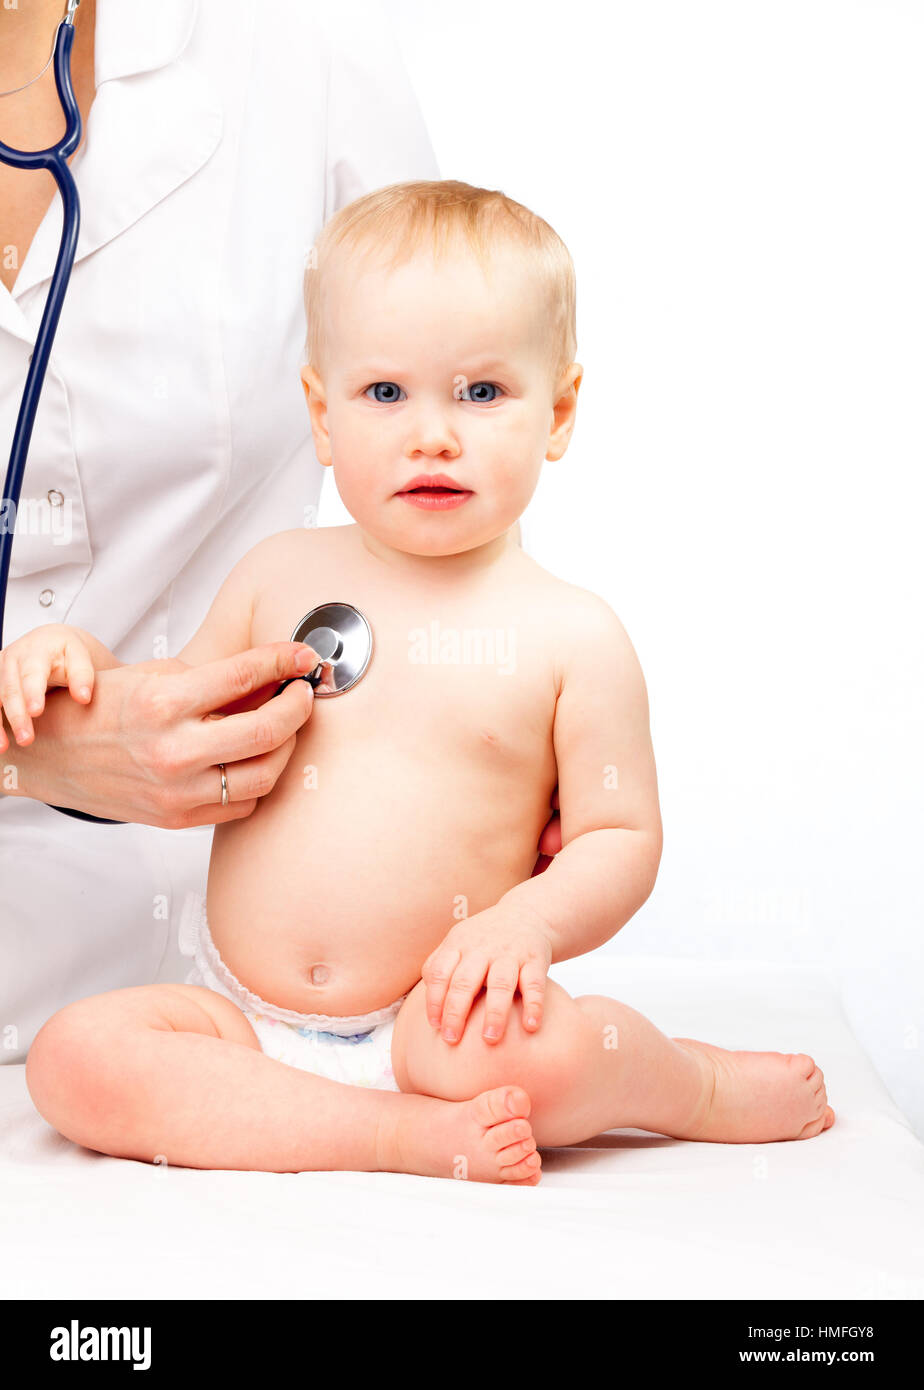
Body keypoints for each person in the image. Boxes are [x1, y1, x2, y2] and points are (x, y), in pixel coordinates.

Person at [14, 179, 835, 1182]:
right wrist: (77, 667)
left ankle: (683, 1084)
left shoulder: (571, 635)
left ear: (560, 410)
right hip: (235, 1010)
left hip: (438, 1023)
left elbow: (620, 836)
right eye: (385, 393)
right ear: (322, 413)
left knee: (546, 1054)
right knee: (75, 1060)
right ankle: (387, 1135)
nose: (433, 433)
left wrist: (522, 922)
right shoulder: (278, 574)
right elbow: (175, 710)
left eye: (482, 393)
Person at [0, 2, 559, 1062]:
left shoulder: (295, 42)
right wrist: (39, 749)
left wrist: (510, 732)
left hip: (244, 940)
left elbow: (447, 401)